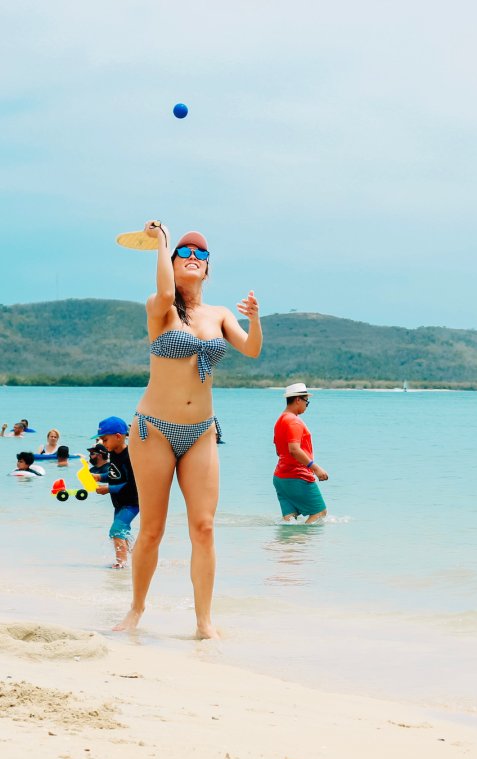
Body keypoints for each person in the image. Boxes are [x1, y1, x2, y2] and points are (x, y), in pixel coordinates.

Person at [114, 221, 262, 638]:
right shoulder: (159, 308)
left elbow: (251, 349)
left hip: (200, 431)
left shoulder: (219, 315)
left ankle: (204, 623)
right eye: (184, 254)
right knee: (153, 529)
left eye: (201, 256)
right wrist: (161, 241)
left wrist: (256, 318)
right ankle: (136, 611)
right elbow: (165, 292)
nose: (193, 258)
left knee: (204, 526)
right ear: (172, 263)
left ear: (208, 270)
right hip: (153, 430)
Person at [273, 382, 329, 523]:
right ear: (298, 399)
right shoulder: (294, 421)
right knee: (320, 512)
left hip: (280, 478)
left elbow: (279, 451)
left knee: (290, 520)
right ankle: (303, 543)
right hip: (298, 476)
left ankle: (290, 544)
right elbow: (294, 450)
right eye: (306, 401)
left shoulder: (280, 420)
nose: (306, 405)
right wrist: (315, 468)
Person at [92, 417, 140, 570]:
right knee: (122, 532)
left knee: (116, 530)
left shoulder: (130, 456)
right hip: (119, 502)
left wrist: (108, 489)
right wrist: (100, 477)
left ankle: (121, 563)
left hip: (132, 502)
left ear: (118, 436)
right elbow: (115, 475)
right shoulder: (113, 453)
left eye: (104, 440)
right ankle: (135, 557)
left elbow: (132, 485)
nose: (102, 444)